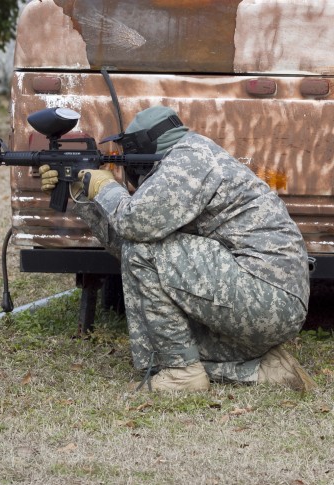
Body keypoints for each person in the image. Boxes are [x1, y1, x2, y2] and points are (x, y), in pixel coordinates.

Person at [39, 106, 316, 392]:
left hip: (267, 297)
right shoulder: (191, 155)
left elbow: (136, 227)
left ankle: (181, 372)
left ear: (142, 144)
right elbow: (127, 242)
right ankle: (262, 370)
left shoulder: (188, 159)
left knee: (144, 254)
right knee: (142, 254)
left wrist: (106, 188)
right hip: (267, 300)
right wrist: (82, 196)